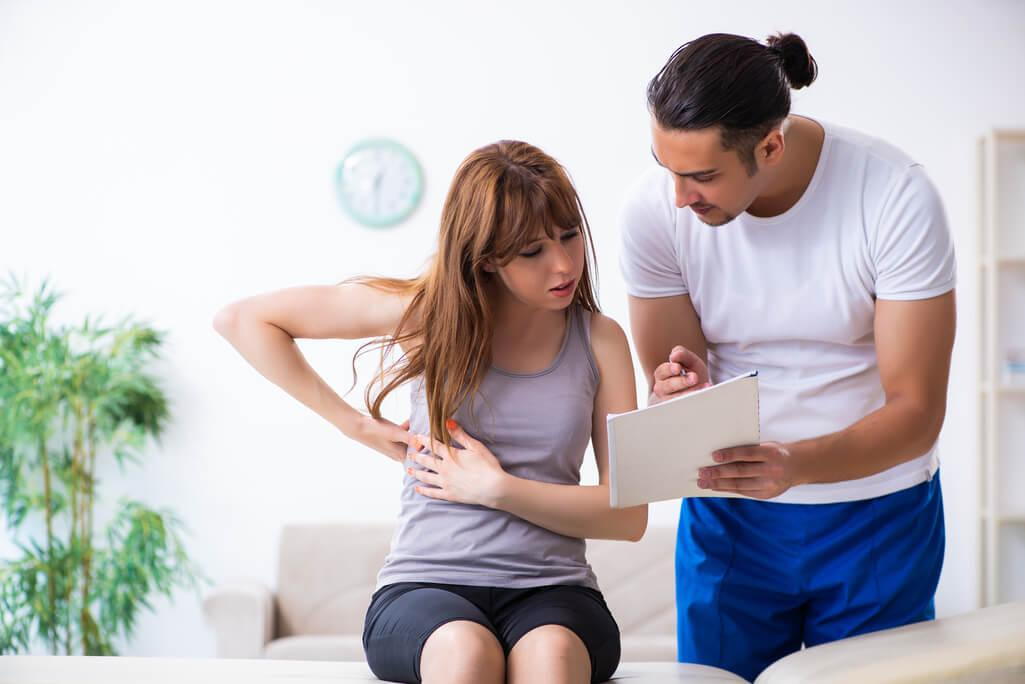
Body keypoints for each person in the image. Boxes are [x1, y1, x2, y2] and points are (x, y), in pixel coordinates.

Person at [214, 140, 645, 684]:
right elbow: (242, 321)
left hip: (554, 591)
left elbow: (629, 517)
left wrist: (497, 489)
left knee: (551, 661)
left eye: (569, 236)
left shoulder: (600, 341)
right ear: (486, 256)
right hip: (426, 587)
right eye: (532, 251)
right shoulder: (427, 318)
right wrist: (356, 427)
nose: (563, 264)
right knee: (466, 655)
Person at [618, 32, 956, 681]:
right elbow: (673, 374)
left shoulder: (892, 196)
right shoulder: (653, 211)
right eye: (667, 168)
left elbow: (916, 411)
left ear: (768, 145)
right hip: (727, 516)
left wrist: (793, 464)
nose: (680, 196)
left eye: (701, 175)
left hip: (876, 515)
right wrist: (676, 392)